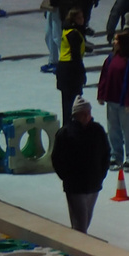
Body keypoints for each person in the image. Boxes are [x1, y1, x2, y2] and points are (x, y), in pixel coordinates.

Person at [51, 96, 110, 233]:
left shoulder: (97, 130)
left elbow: (106, 154)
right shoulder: (65, 133)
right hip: (75, 187)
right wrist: (67, 178)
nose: (88, 115)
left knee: (85, 220)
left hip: (93, 184)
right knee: (80, 225)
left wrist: (101, 175)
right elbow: (57, 159)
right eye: (85, 113)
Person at [97, 31, 129, 171]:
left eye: (116, 40)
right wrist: (101, 94)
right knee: (113, 130)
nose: (114, 42)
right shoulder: (111, 58)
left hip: (126, 103)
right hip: (112, 100)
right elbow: (104, 77)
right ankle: (115, 156)